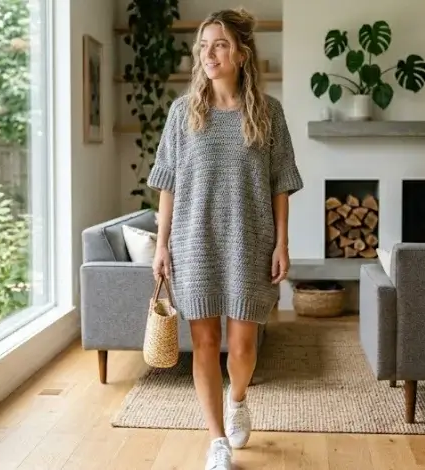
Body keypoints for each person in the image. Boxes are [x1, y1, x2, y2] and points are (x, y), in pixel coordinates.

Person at [147, 7, 304, 470]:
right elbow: (167, 183)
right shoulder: (183, 113)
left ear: (241, 53)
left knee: (243, 347)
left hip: (250, 240)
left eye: (219, 44)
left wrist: (282, 243)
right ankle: (216, 439)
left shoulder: (269, 114)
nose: (209, 54)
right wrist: (161, 245)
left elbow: (281, 183)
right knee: (204, 341)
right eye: (204, 45)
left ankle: (238, 399)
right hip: (193, 242)